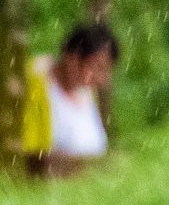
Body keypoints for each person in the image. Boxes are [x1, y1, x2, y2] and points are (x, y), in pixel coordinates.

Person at [24, 24, 118, 177]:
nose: (101, 78)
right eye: (97, 67)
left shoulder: (86, 95)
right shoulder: (37, 88)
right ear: (72, 58)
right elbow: (30, 153)